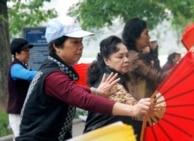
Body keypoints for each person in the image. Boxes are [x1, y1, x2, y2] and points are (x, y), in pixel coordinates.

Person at [16, 16, 151, 141]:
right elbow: (84, 99)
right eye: (74, 42)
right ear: (56, 46)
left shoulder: (55, 70)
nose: (81, 47)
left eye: (81, 41)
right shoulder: (53, 76)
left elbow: (72, 89)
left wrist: (96, 92)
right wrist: (133, 110)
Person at [84, 35, 145, 141]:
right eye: (120, 57)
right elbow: (137, 111)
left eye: (127, 55)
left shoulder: (115, 77)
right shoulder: (110, 82)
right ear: (107, 60)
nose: (126, 60)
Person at [122, 18, 169, 100]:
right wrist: (182, 66)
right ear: (135, 36)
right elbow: (159, 77)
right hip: (142, 105)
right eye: (146, 33)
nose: (149, 37)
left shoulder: (132, 54)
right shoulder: (135, 58)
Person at [6, 38, 37, 137]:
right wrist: (45, 73)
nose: (28, 53)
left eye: (29, 51)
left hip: (23, 111)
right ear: (17, 52)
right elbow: (28, 75)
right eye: (26, 51)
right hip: (16, 112)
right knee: (22, 138)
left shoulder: (24, 66)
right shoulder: (15, 67)